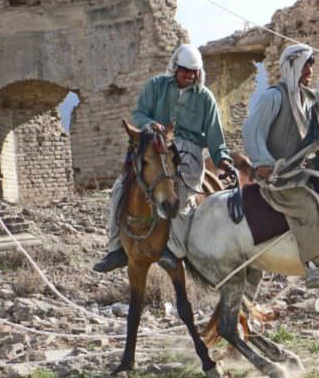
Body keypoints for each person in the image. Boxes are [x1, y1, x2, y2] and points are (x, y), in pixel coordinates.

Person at [93, 44, 241, 272]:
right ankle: (116, 249)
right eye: (185, 71)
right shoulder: (155, 86)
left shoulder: (205, 98)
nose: (189, 76)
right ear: (175, 67)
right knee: (120, 188)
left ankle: (173, 250)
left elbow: (214, 135)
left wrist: (223, 160)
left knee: (182, 194)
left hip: (189, 151)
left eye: (194, 72)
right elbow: (139, 114)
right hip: (154, 146)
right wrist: (149, 124)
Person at [242, 43, 319, 288]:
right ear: (293, 67)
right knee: (308, 205)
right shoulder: (273, 97)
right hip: (278, 177)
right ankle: (313, 265)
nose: (310, 70)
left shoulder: (309, 99)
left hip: (303, 171)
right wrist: (263, 162)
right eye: (306, 65)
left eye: (311, 64)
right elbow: (251, 130)